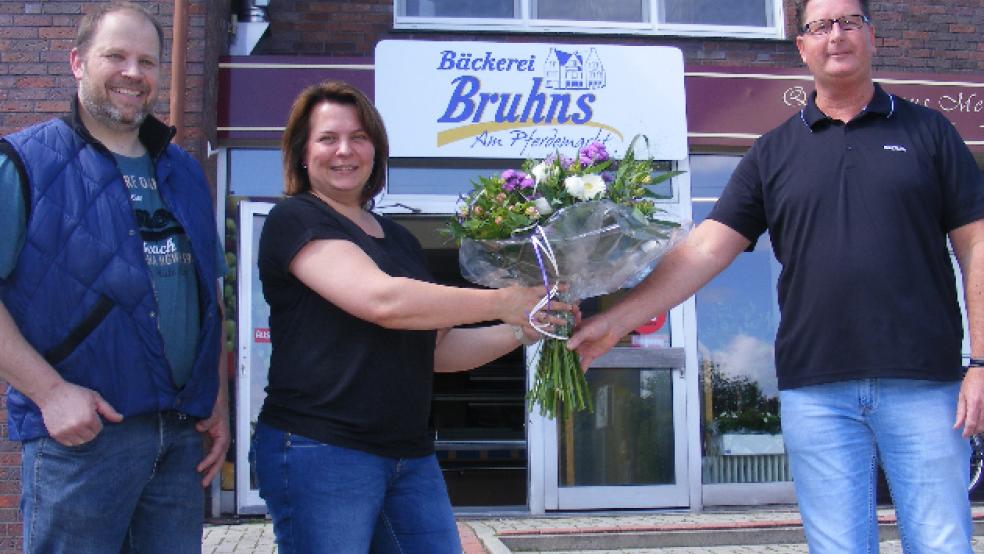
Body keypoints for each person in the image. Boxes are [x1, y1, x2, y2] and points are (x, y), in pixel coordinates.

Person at [569, 0, 984, 551]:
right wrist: (615, 319)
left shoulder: (929, 131)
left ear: (870, 35)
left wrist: (980, 362)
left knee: (941, 541)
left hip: (925, 382)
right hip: (817, 390)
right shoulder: (773, 152)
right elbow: (706, 249)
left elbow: (975, 244)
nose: (835, 35)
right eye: (819, 26)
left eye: (848, 22)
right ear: (802, 47)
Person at [252, 80, 569, 553]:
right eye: (327, 138)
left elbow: (436, 351)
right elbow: (384, 302)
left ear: (377, 151)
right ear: (301, 153)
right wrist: (502, 300)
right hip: (321, 447)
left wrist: (523, 328)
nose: (345, 150)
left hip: (408, 454)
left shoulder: (398, 240)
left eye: (359, 137)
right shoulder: (295, 220)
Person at [0, 3, 230, 553]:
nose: (134, 73)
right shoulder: (25, 162)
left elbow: (209, 297)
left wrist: (216, 398)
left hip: (180, 442)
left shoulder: (183, 172)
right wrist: (49, 392)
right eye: (116, 56)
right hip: (82, 441)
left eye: (147, 61)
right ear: (77, 62)